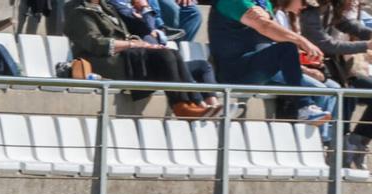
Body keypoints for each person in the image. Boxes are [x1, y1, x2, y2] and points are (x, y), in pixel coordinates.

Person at [64, 0, 213, 117]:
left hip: (126, 55)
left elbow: (144, 29)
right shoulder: (78, 11)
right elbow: (96, 44)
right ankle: (180, 106)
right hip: (105, 63)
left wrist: (144, 11)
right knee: (164, 56)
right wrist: (132, 44)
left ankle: (193, 103)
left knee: (170, 53)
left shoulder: (106, 7)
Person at [207, 0, 332, 125]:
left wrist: (303, 64)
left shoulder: (263, 3)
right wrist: (302, 41)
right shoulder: (231, 2)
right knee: (287, 48)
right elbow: (265, 26)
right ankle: (305, 107)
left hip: (261, 68)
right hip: (236, 71)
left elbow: (273, 33)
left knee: (320, 90)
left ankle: (318, 140)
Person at [295, 0, 372, 166]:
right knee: (343, 92)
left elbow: (345, 24)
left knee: (350, 91)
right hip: (316, 66)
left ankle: (356, 142)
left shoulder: (329, 5)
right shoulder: (309, 7)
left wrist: (369, 34)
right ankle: (339, 145)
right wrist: (366, 45)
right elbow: (323, 43)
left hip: (334, 68)